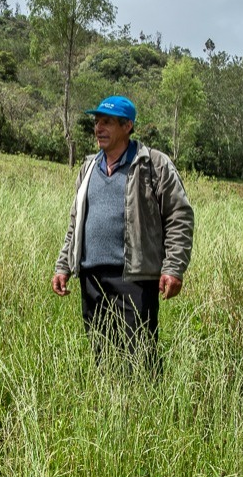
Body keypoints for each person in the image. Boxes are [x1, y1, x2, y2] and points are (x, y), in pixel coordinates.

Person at [51, 95, 194, 373]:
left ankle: (148, 408)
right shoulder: (89, 167)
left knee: (140, 356)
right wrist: (63, 265)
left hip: (134, 278)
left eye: (107, 122)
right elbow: (76, 221)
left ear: (127, 126)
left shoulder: (153, 164)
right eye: (96, 122)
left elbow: (180, 216)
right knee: (102, 355)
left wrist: (174, 267)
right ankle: (111, 407)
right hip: (92, 278)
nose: (98, 128)